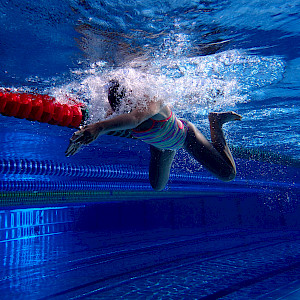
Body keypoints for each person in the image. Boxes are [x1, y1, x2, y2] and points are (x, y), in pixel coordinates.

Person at [65, 79, 242, 191]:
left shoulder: (153, 100)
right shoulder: (120, 109)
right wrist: (81, 138)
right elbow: (95, 124)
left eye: (125, 106)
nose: (122, 111)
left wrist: (98, 128)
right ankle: (169, 147)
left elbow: (134, 119)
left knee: (228, 174)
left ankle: (215, 122)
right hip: (160, 145)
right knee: (157, 186)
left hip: (186, 136)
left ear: (132, 95)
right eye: (120, 109)